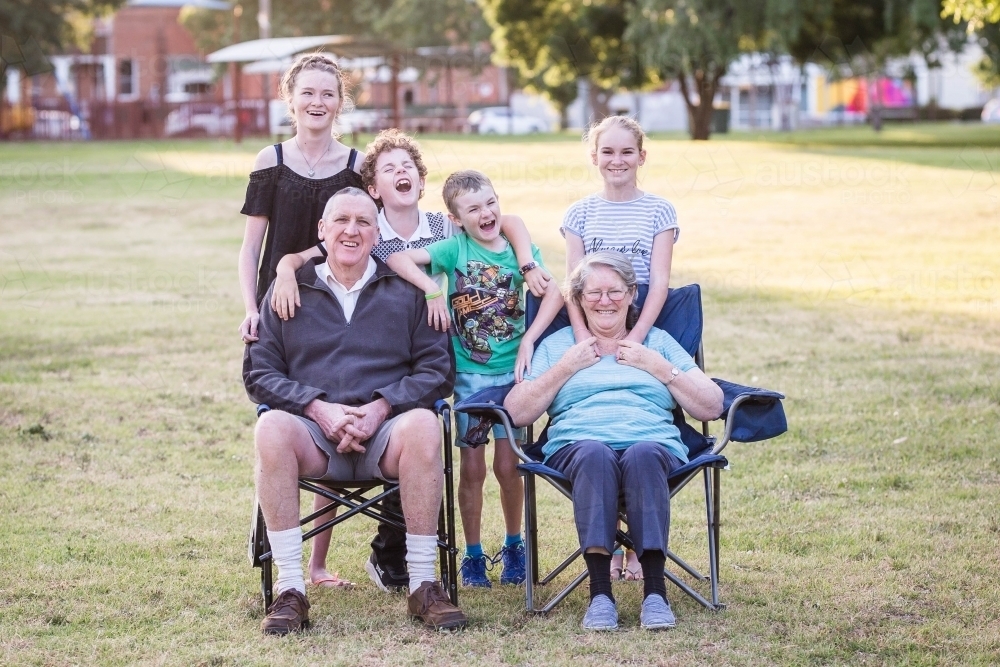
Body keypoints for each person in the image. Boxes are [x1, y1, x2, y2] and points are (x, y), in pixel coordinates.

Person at [267, 129, 552, 592]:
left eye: (409, 168)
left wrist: (526, 264)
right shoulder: (363, 227)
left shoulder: (443, 227)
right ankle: (322, 565)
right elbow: (310, 254)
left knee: (429, 430)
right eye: (389, 168)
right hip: (377, 355)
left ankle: (407, 556)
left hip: (430, 356)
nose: (401, 174)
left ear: (421, 182)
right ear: (373, 189)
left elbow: (506, 222)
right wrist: (282, 269)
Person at [244, 188, 468, 634]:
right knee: (270, 427)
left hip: (385, 438)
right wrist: (316, 406)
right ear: (322, 230)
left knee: (424, 422)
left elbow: (437, 371)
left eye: (364, 222)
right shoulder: (290, 288)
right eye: (341, 221)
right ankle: (291, 589)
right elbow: (259, 372)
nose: (352, 230)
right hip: (314, 436)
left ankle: (423, 584)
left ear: (376, 232)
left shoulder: (407, 291)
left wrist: (382, 406)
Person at [503, 251, 723, 631]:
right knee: (594, 454)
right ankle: (600, 593)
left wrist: (660, 368)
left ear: (632, 294)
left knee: (642, 455)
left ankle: (655, 592)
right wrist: (566, 367)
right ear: (579, 298)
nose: (604, 301)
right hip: (577, 447)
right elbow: (518, 411)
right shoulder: (559, 347)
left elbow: (711, 403)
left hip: (652, 445)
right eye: (593, 293)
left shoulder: (657, 341)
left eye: (614, 292)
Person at [386, 170, 564, 588]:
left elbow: (556, 292)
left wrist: (529, 341)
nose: (486, 213)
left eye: (490, 203)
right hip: (470, 376)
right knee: (472, 470)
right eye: (473, 209)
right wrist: (431, 290)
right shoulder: (453, 248)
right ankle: (472, 554)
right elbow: (397, 258)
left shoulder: (520, 251)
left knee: (508, 466)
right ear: (456, 217)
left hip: (514, 377)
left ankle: (515, 545)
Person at [237, 52, 364, 590]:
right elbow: (250, 247)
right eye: (307, 93)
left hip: (335, 308)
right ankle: (274, 542)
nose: (317, 103)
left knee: (334, 428)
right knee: (280, 428)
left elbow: (366, 236)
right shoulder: (271, 158)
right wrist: (251, 306)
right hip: (279, 311)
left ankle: (317, 564)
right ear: (291, 100)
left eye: (327, 94)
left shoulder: (356, 163)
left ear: (340, 103)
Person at [562, 115, 680, 581]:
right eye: (607, 152)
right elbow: (574, 286)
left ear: (641, 157)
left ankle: (636, 552)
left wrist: (636, 338)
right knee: (599, 424)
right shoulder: (579, 214)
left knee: (637, 423)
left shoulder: (659, 211)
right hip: (592, 320)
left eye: (626, 152)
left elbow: (662, 282)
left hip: (643, 318)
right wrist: (583, 342)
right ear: (594, 158)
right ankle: (608, 546)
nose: (617, 160)